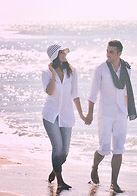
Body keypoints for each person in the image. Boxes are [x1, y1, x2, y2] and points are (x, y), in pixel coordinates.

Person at [86, 40, 137, 193]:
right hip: (105, 113)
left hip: (121, 113)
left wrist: (128, 111)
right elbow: (93, 93)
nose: (108, 54)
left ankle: (114, 183)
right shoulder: (101, 69)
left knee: (119, 149)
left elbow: (126, 92)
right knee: (104, 148)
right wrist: (89, 113)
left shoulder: (126, 69)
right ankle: (94, 167)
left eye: (111, 52)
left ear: (119, 54)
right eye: (107, 51)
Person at [42, 44, 88, 191]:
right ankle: (60, 182)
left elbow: (75, 94)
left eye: (64, 52)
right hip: (50, 115)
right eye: (61, 52)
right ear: (55, 56)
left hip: (66, 115)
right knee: (57, 148)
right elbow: (49, 92)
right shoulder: (46, 73)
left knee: (64, 153)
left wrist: (82, 115)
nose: (64, 54)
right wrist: (54, 74)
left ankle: (55, 170)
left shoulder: (72, 72)